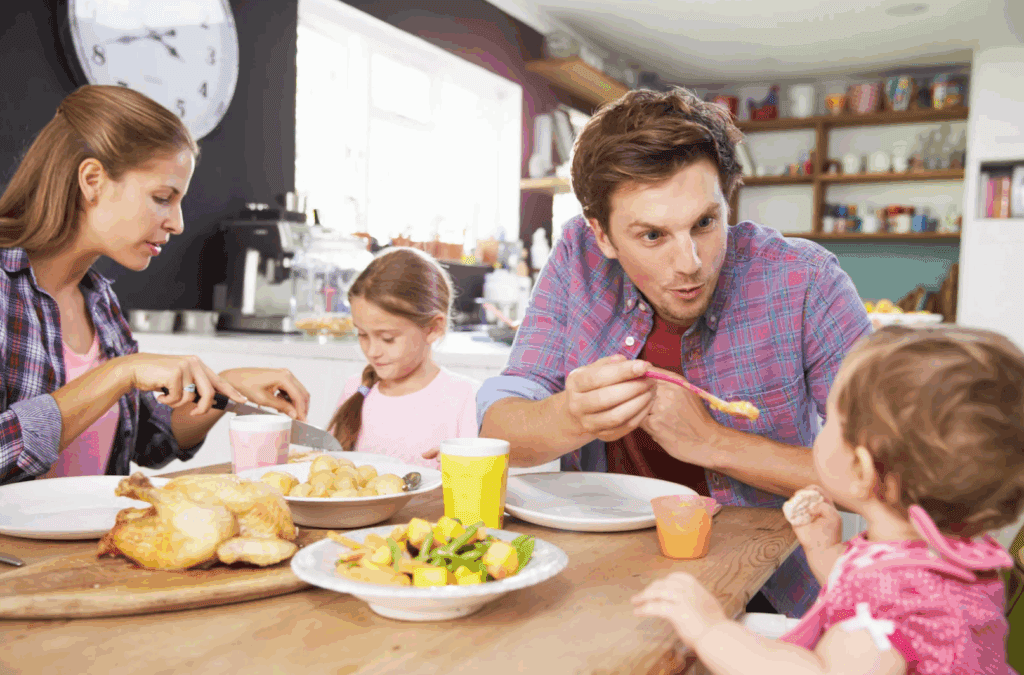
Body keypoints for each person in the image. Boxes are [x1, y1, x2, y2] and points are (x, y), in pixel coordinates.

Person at [477, 87, 872, 617]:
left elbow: (893, 477)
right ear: (603, 235)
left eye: (705, 223)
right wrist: (570, 415)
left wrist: (713, 442)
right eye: (652, 235)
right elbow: (499, 430)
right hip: (600, 582)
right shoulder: (576, 258)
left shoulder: (805, 281)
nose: (689, 264)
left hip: (768, 595)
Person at [632, 326, 1024, 675]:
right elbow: (867, 592)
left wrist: (710, 629)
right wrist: (825, 550)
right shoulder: (951, 555)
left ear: (860, 468)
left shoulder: (888, 625)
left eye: (830, 423)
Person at [0, 85, 310, 485]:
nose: (178, 223)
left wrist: (224, 389)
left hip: (87, 546)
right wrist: (120, 372)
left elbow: (149, 442)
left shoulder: (100, 303)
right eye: (162, 197)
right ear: (93, 180)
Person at [327, 247, 478, 468]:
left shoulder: (466, 399)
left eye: (387, 338)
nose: (372, 351)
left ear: (433, 328)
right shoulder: (355, 389)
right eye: (362, 334)